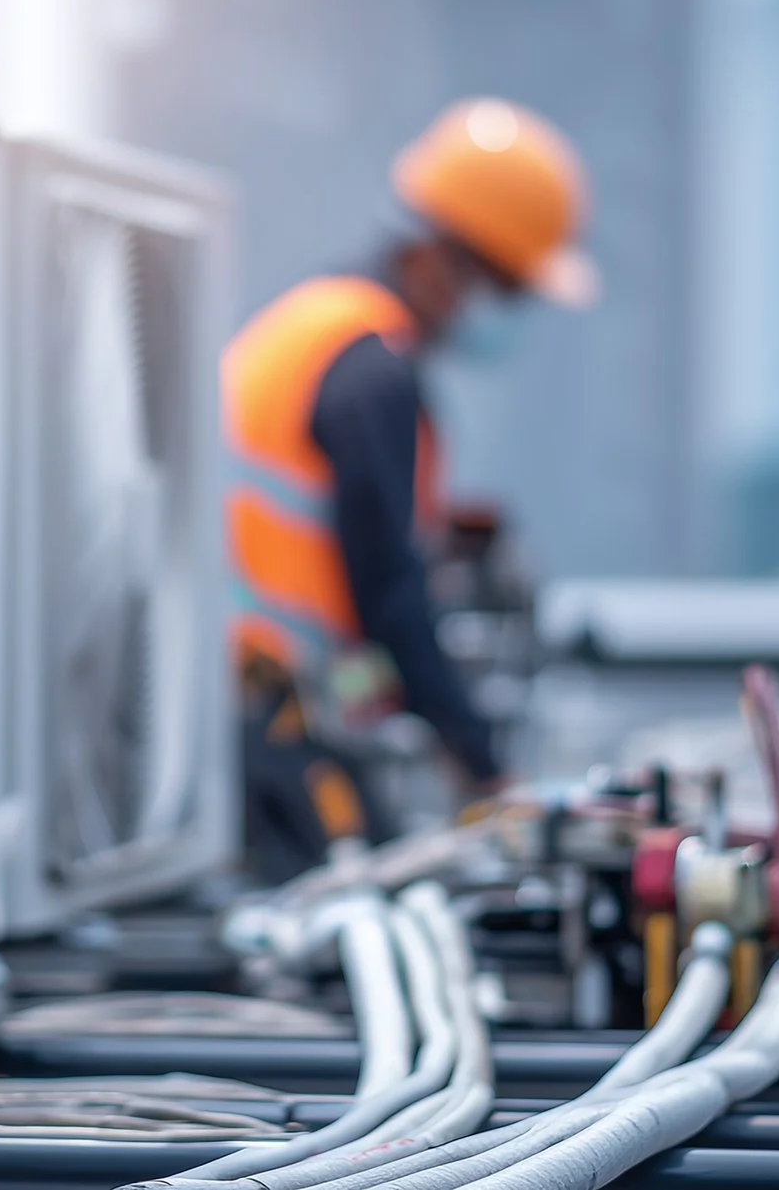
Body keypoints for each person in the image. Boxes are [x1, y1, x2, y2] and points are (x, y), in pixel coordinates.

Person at [223, 97, 595, 884]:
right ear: (440, 258)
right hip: (261, 726)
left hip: (246, 710)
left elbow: (353, 616)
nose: (501, 314)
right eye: (503, 287)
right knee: (372, 896)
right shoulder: (373, 374)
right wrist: (482, 763)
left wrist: (399, 701)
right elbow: (388, 595)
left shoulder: (322, 329)